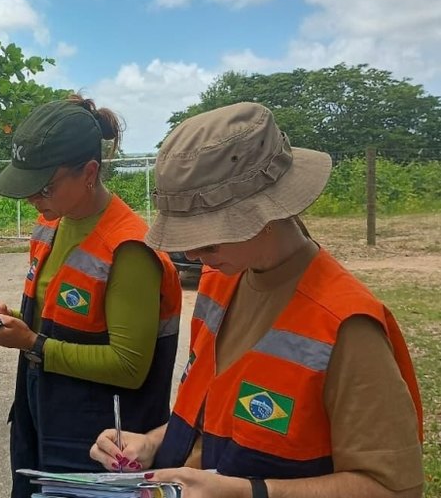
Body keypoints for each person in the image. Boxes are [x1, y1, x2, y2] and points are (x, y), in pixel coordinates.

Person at [89, 102, 424, 497]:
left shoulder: (345, 325)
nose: (193, 255)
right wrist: (154, 442)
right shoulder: (221, 279)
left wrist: (249, 492)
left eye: (206, 240)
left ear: (266, 214)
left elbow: (391, 487)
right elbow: (217, 414)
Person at [0, 95, 183, 498]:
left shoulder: (129, 249)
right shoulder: (51, 225)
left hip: (102, 444)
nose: (33, 198)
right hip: (42, 418)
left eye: (44, 187)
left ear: (90, 173)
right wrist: (5, 318)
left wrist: (31, 343)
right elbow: (55, 324)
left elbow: (129, 365)